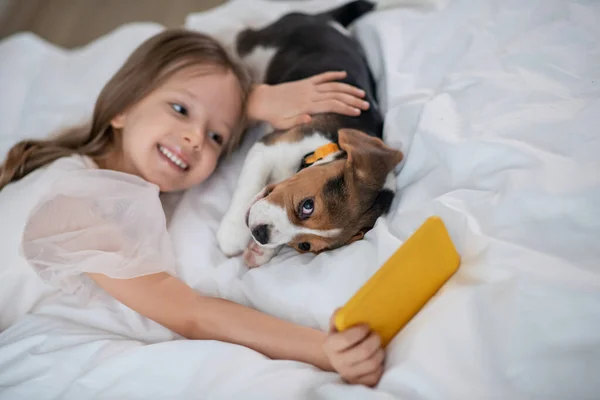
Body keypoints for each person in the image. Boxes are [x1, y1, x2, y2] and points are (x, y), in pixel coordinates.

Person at [0, 29, 385, 387]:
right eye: (181, 109)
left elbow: (177, 112)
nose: (196, 138)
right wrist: (321, 350)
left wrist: (252, 103)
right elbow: (191, 313)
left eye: (217, 136)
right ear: (122, 108)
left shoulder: (91, 173)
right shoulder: (77, 202)